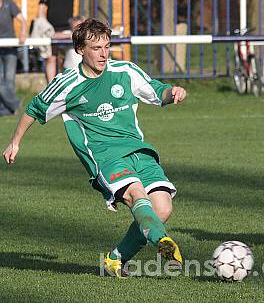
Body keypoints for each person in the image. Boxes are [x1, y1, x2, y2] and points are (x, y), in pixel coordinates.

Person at [3, 18, 187, 277]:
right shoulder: (67, 83)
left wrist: (174, 91)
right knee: (136, 194)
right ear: (80, 50)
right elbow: (35, 108)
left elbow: (157, 91)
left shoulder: (125, 71)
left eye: (106, 47)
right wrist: (15, 142)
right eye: (96, 48)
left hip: (138, 152)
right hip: (105, 157)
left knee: (162, 209)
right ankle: (164, 244)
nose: (103, 54)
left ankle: (115, 260)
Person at [38, 0, 77, 82]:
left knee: (72, 56)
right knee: (51, 58)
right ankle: (51, 86)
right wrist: (44, 26)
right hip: (52, 30)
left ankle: (72, 83)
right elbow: (41, 9)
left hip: (67, 29)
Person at [0, 0, 26, 116]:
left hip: (10, 48)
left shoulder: (9, 4)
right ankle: (14, 104)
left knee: (9, 79)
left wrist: (22, 33)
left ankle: (7, 110)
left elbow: (22, 20)